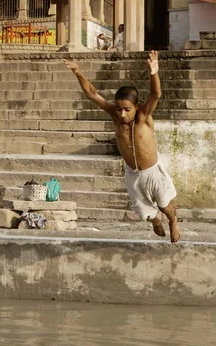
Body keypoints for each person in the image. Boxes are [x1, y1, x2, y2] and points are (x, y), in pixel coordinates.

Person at [64, 51, 181, 243]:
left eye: (127, 109)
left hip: (152, 171)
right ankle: (156, 222)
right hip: (133, 173)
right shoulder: (115, 115)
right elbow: (93, 94)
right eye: (119, 109)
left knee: (164, 204)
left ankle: (173, 221)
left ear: (137, 107)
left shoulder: (143, 117)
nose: (122, 114)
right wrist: (78, 72)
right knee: (146, 213)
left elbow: (156, 94)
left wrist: (154, 72)